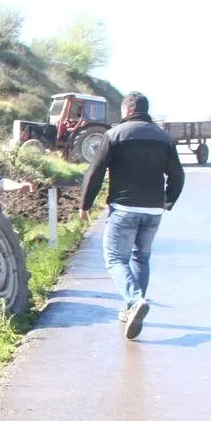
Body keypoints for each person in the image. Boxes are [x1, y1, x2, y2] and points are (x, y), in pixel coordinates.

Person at [80, 91, 184, 340]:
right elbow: (178, 175)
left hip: (124, 209)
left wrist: (85, 204)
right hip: (153, 211)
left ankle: (135, 300)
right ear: (145, 110)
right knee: (141, 258)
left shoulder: (114, 135)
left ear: (126, 110)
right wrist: (167, 201)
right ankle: (131, 308)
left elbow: (94, 172)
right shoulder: (164, 138)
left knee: (115, 259)